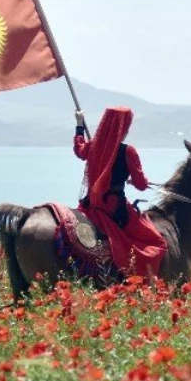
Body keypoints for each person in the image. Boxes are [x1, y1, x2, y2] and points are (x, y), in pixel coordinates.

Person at [73, 106, 167, 280]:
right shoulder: (128, 151)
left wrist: (79, 125)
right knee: (156, 241)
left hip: (91, 205)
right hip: (114, 209)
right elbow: (140, 184)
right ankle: (139, 276)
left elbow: (80, 150)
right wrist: (139, 181)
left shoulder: (94, 146)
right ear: (124, 127)